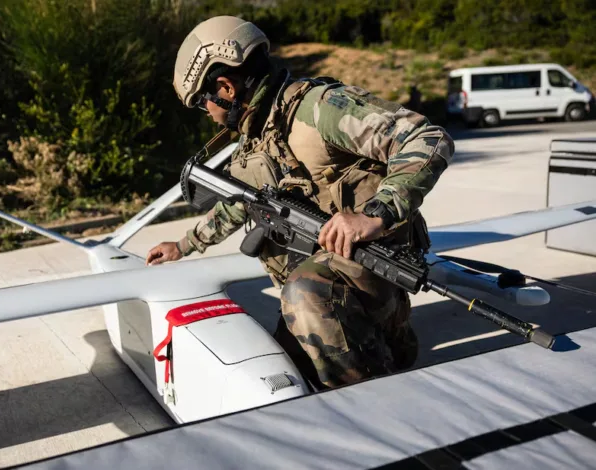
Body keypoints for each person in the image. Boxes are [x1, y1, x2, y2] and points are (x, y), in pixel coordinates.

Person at [145, 16, 454, 390]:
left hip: (370, 269)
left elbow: (428, 138)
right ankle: (389, 342)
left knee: (304, 296)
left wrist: (377, 213)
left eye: (202, 103)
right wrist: (182, 245)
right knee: (283, 370)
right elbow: (237, 205)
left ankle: (374, 399)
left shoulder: (317, 109)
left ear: (225, 87)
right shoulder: (255, 141)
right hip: (331, 278)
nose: (208, 115)